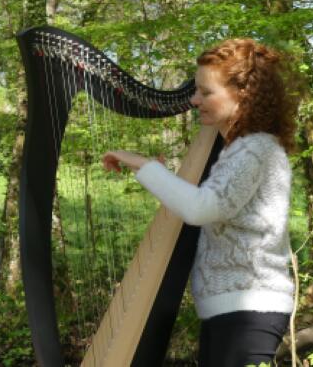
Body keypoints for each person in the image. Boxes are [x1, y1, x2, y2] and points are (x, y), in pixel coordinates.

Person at [102, 39, 297, 366]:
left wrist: (142, 165)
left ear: (244, 93)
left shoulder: (256, 149)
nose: (194, 100)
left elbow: (201, 208)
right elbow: (217, 201)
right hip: (232, 310)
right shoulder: (237, 151)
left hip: (250, 309)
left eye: (206, 93)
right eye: (196, 91)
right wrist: (163, 177)